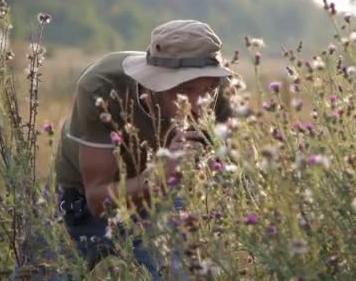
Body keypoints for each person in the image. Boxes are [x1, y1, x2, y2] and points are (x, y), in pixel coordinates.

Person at [53, 19, 234, 279]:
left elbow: (224, 172)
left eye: (208, 89)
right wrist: (161, 174)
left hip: (160, 199)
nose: (199, 105)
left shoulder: (221, 94)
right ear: (152, 83)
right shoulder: (102, 86)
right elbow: (98, 202)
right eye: (184, 90)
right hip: (79, 199)